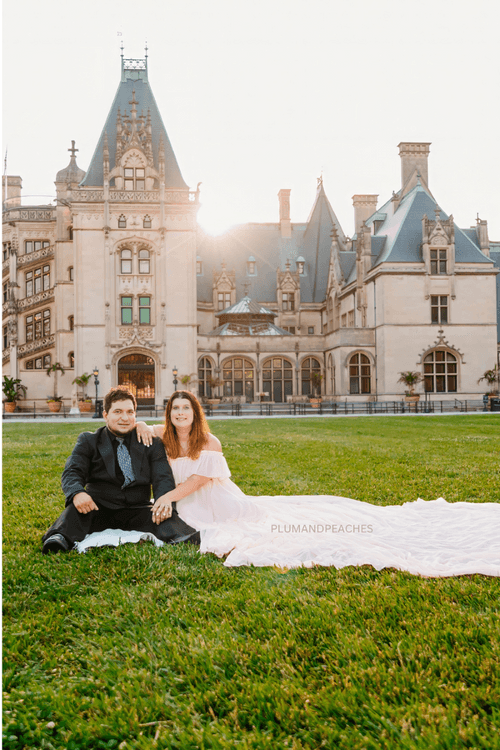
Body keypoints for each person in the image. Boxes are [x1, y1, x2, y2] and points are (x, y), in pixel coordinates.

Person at [78, 391, 500, 577]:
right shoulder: (157, 434)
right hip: (188, 506)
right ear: (168, 414)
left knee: (262, 527)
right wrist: (144, 425)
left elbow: (201, 479)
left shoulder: (210, 440)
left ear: (196, 412)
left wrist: (168, 495)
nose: (181, 414)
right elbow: (135, 430)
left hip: (213, 499)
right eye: (175, 410)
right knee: (184, 526)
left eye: (187, 409)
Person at [41, 387, 200, 554]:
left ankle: (183, 538)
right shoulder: (88, 440)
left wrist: (164, 501)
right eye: (118, 412)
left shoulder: (152, 443)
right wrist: (77, 493)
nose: (125, 418)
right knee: (75, 512)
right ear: (105, 415)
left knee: (164, 516)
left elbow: (163, 478)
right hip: (99, 508)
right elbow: (72, 471)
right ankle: (59, 537)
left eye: (130, 412)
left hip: (138, 509)